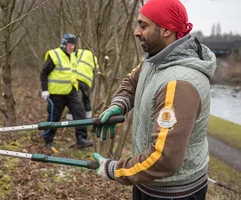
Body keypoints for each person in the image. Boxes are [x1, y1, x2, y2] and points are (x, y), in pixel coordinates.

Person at [92, 0, 216, 199]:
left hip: (173, 193)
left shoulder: (178, 83)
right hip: (148, 183)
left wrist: (115, 170)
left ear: (166, 30)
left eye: (143, 25)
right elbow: (131, 83)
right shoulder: (155, 59)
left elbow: (163, 159)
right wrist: (119, 105)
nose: (136, 31)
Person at [40, 33, 94, 151]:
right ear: (64, 44)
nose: (72, 47)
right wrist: (44, 90)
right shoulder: (54, 55)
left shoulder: (73, 56)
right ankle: (48, 141)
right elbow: (44, 73)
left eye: (74, 45)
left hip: (71, 92)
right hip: (56, 94)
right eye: (70, 45)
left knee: (79, 113)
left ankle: (81, 138)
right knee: (54, 119)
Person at [66, 49, 99, 120]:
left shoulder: (80, 52)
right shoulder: (94, 57)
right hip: (87, 82)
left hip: (77, 78)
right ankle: (88, 118)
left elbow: (71, 58)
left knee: (73, 98)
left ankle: (70, 118)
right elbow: (96, 69)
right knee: (86, 99)